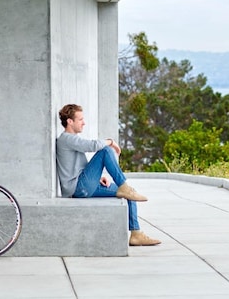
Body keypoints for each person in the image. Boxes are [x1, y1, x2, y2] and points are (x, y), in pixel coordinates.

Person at [56, 103, 161, 246]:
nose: (84, 123)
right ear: (70, 121)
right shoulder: (66, 138)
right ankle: (123, 185)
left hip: (85, 185)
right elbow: (93, 145)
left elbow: (80, 168)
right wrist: (111, 141)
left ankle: (136, 234)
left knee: (130, 194)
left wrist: (97, 178)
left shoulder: (72, 140)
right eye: (80, 119)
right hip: (77, 188)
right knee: (105, 150)